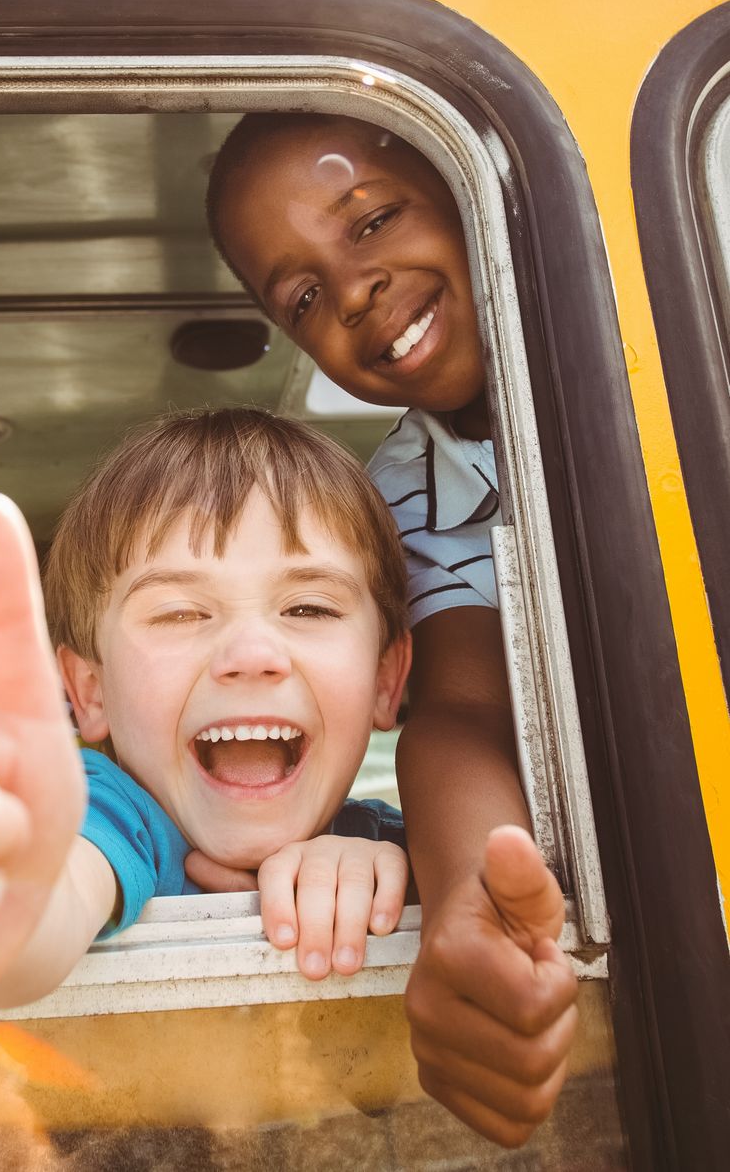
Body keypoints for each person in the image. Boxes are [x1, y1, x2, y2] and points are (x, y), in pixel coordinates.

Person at [0, 407, 416, 1071]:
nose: (250, 653)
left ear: (387, 679)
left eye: (309, 607)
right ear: (90, 691)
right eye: (181, 612)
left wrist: (396, 879)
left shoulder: (410, 845)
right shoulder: (111, 812)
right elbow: (54, 902)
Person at [203, 114, 579, 1148]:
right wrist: (468, 899)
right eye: (306, 296)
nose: (355, 288)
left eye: (371, 220)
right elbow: (460, 704)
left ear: (481, 187)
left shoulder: (682, 315)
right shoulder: (405, 493)